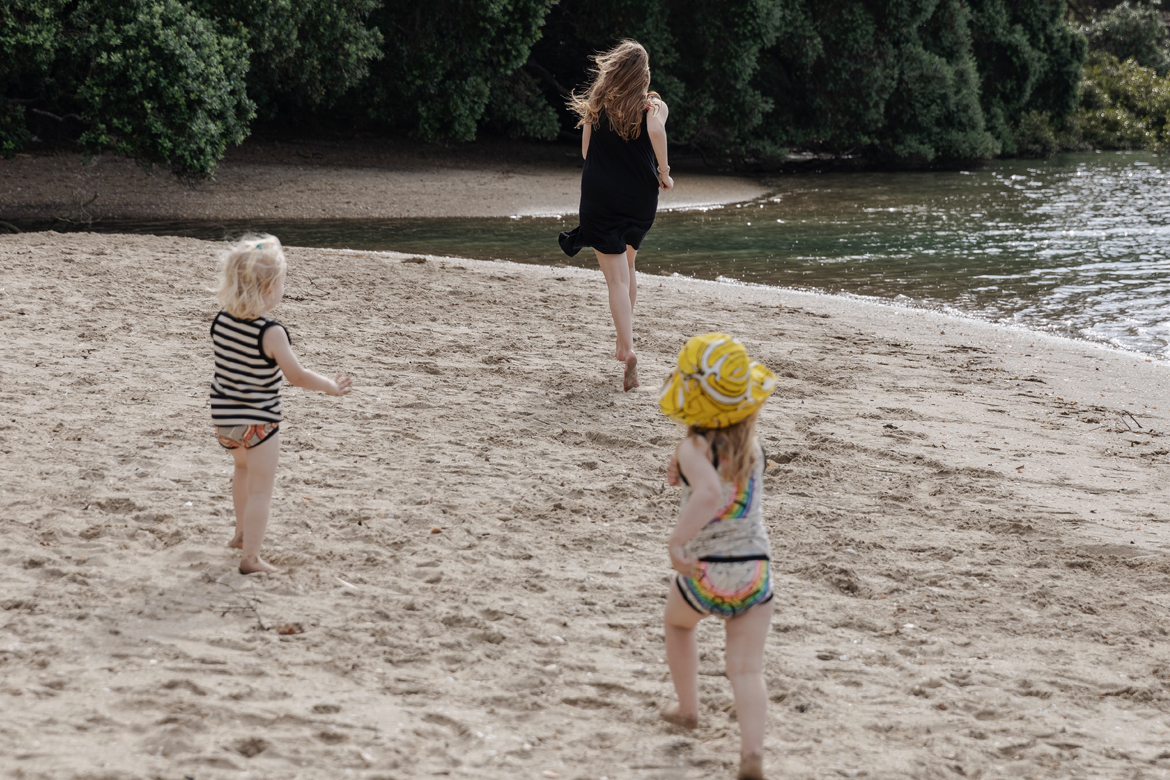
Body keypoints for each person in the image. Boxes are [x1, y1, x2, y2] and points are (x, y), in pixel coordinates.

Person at [657, 333, 778, 780]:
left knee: (677, 623)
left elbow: (708, 492)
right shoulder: (753, 449)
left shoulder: (694, 448)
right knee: (746, 669)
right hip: (753, 573)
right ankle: (751, 757)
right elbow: (721, 479)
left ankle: (688, 709)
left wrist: (676, 543)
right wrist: (680, 464)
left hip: (706, 571)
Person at [209, 235, 352, 574]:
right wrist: (331, 386)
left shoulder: (221, 321)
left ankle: (241, 535)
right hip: (259, 423)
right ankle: (251, 559)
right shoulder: (271, 333)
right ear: (270, 287)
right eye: (282, 284)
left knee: (241, 471)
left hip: (224, 421)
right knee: (262, 491)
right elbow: (297, 376)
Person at [560, 39, 674, 392]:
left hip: (600, 198)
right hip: (640, 198)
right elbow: (656, 131)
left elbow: (585, 153)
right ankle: (624, 341)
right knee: (629, 267)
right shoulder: (652, 105)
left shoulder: (596, 103)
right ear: (643, 74)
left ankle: (627, 348)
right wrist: (665, 171)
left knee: (616, 280)